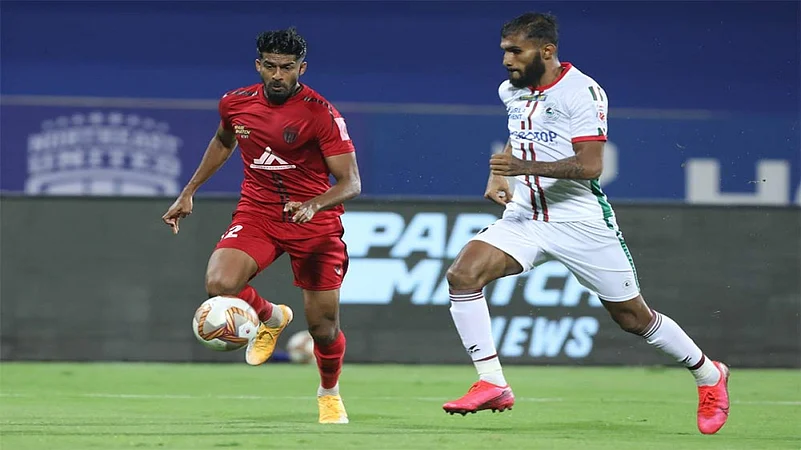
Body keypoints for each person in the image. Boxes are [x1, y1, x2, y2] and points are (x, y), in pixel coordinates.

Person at [441, 12, 730, 435]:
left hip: (580, 222)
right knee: (463, 275)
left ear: (546, 51)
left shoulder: (583, 92)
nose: (506, 60)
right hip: (525, 216)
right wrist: (500, 173)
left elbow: (591, 166)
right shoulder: (511, 90)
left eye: (515, 51)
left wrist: (522, 166)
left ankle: (709, 374)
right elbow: (521, 136)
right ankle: (493, 383)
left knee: (633, 318)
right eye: (504, 51)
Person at [161, 27, 360, 425]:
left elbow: (351, 182)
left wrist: (313, 205)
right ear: (258, 65)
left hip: (313, 222)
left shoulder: (321, 114)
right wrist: (189, 191)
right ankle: (271, 316)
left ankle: (329, 393)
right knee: (220, 284)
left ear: (301, 68)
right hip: (258, 212)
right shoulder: (235, 103)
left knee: (323, 328)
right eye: (270, 66)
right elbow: (223, 142)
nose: (278, 75)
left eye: (287, 67)